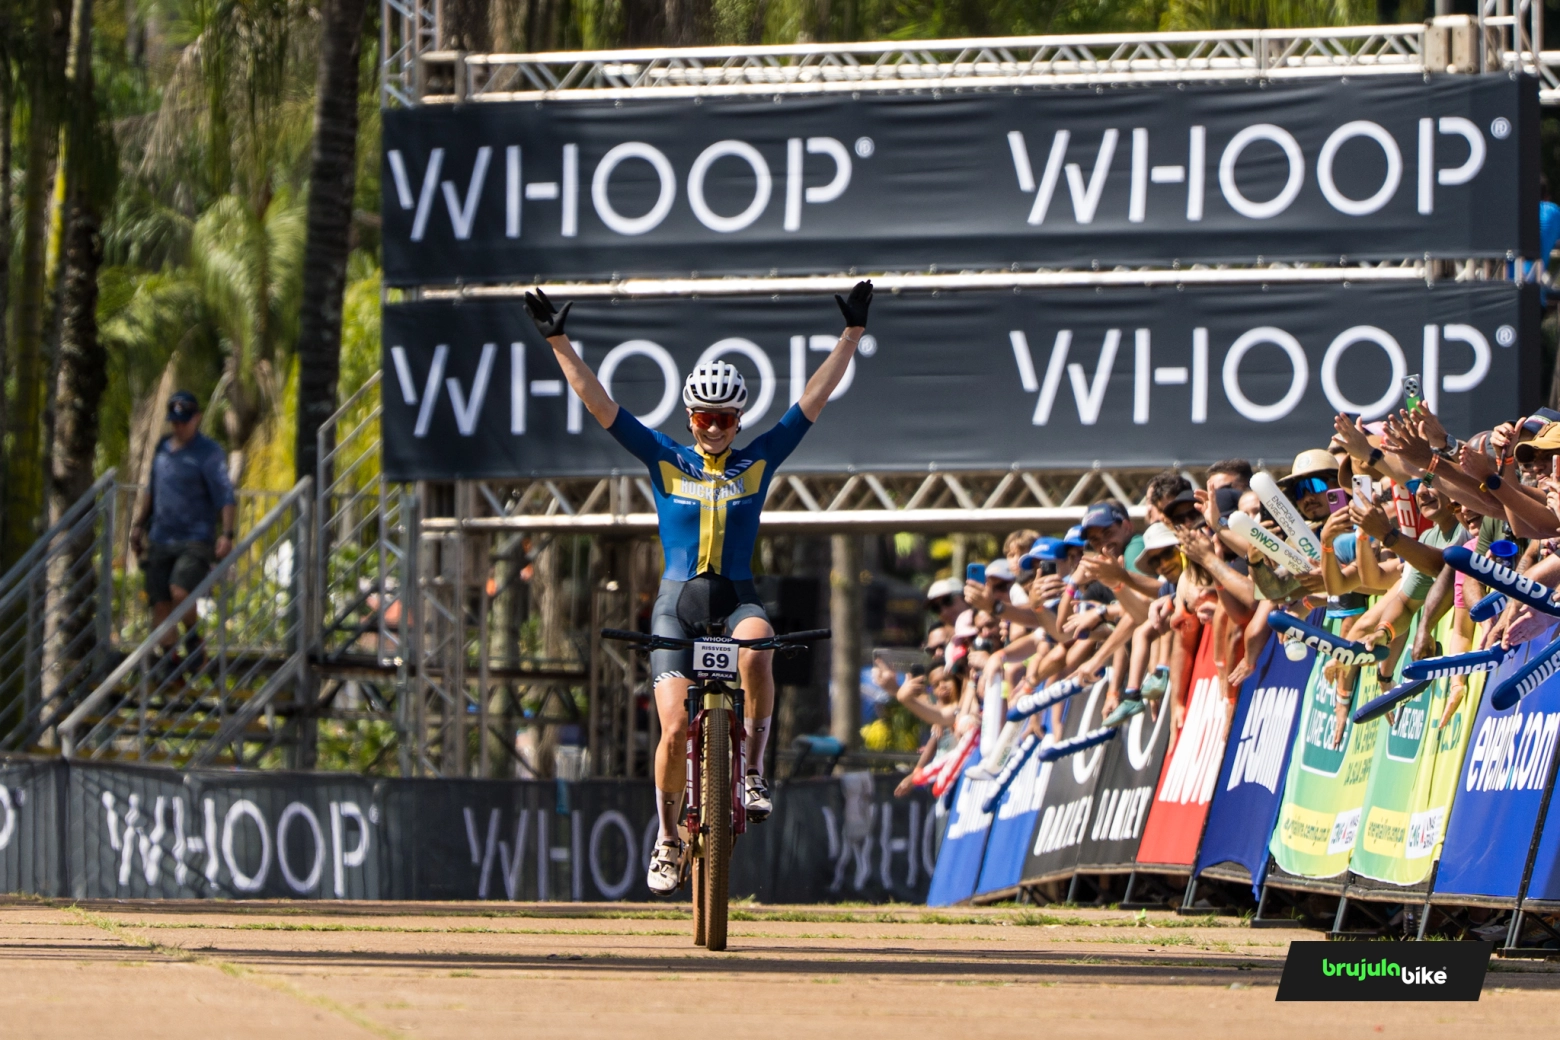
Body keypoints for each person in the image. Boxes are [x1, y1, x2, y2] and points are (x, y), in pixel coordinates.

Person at [525, 281, 873, 896]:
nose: (715, 428)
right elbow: (600, 404)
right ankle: (664, 837)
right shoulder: (664, 458)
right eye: (706, 418)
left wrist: (851, 336)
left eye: (727, 419)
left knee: (760, 646)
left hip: (736, 596)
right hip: (677, 603)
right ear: (690, 417)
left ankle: (755, 774)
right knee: (674, 728)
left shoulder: (759, 460)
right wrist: (558, 341)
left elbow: (812, 402)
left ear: (739, 421)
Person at [130, 391, 237, 666]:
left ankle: (192, 638)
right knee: (161, 603)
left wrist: (226, 534)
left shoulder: (209, 452)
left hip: (195, 538)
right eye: (174, 422)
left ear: (197, 418)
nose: (178, 427)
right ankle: (170, 663)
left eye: (184, 421)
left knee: (180, 591)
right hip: (161, 536)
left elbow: (225, 495)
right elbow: (152, 491)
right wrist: (139, 525)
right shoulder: (162, 449)